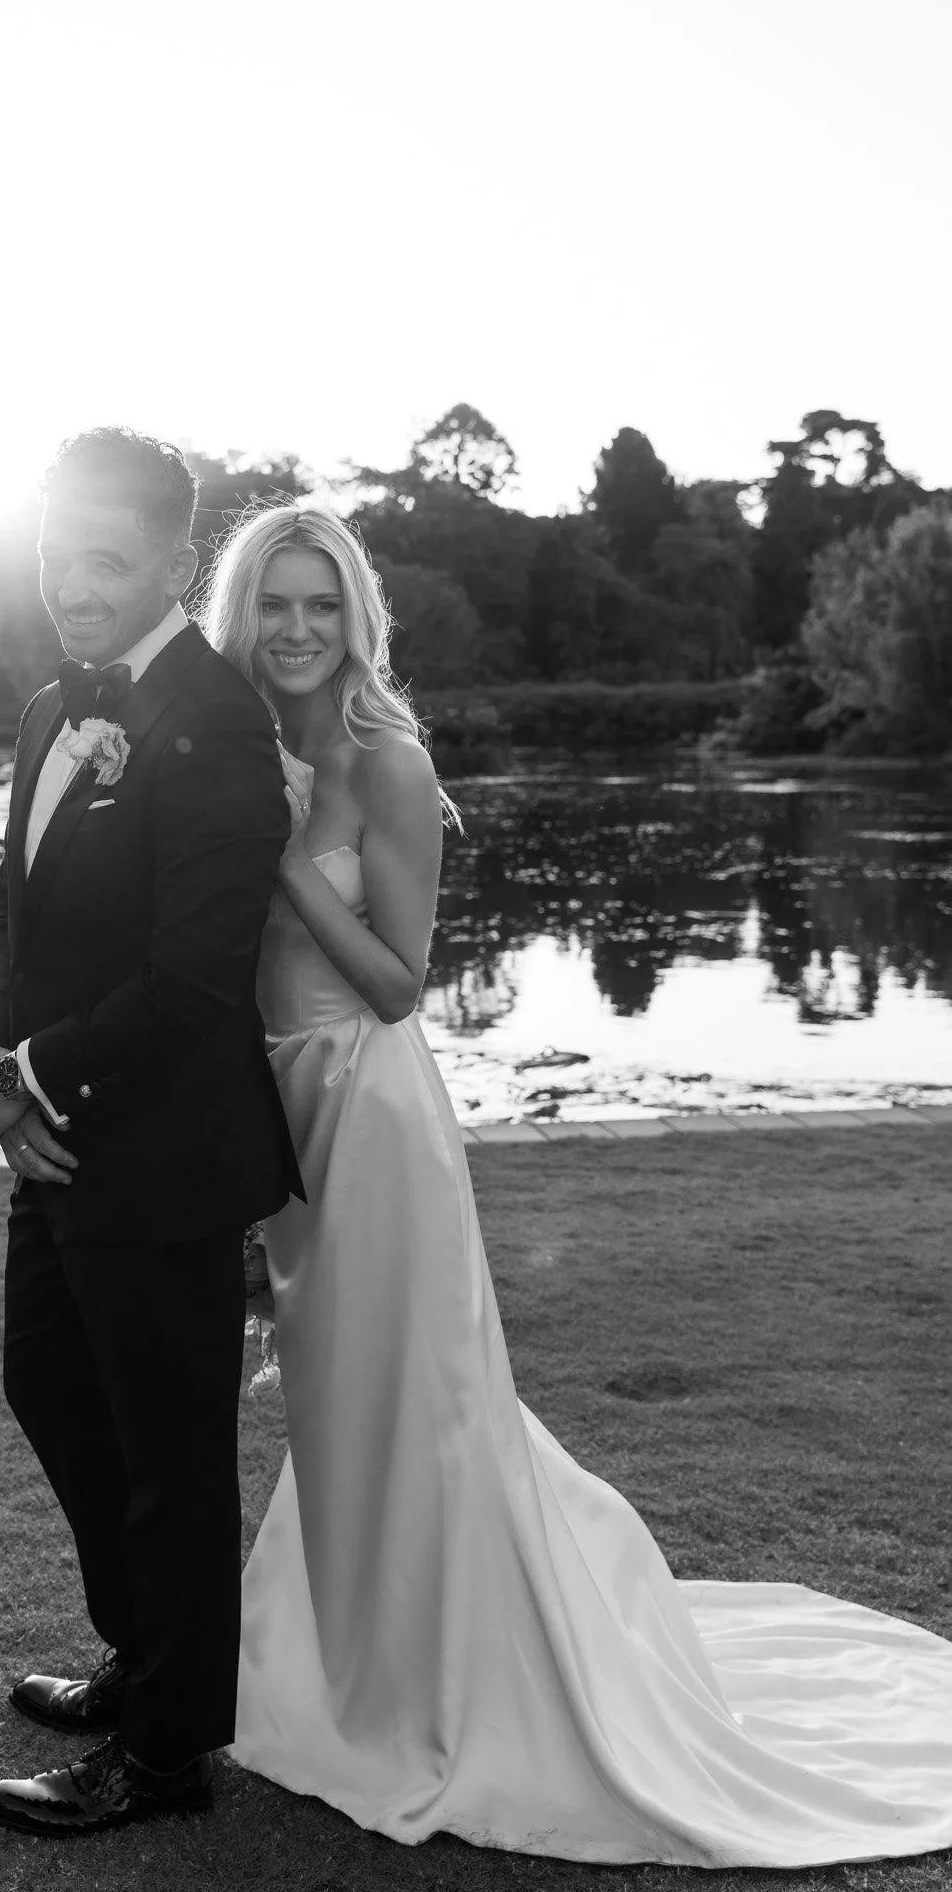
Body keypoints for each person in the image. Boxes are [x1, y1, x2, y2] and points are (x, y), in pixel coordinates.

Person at [203, 499, 952, 1868]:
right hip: (279, 1114)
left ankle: (448, 1692)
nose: (297, 628)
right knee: (332, 1399)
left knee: (416, 1399)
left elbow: (400, 984)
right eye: (274, 602)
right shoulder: (234, 750)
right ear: (240, 613)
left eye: (321, 603)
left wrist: (285, 866)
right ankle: (351, 1665)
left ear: (355, 619)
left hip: (370, 1111)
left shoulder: (386, 759)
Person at [0, 429, 300, 1838]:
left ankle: (164, 1758)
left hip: (164, 1158)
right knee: (46, 1383)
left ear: (174, 559)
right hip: (54, 1138)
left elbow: (196, 979)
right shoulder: (52, 707)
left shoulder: (219, 722)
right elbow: (16, 914)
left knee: (171, 1460)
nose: (73, 586)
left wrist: (36, 1071)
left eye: (105, 560)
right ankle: (142, 1654)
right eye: (56, 556)